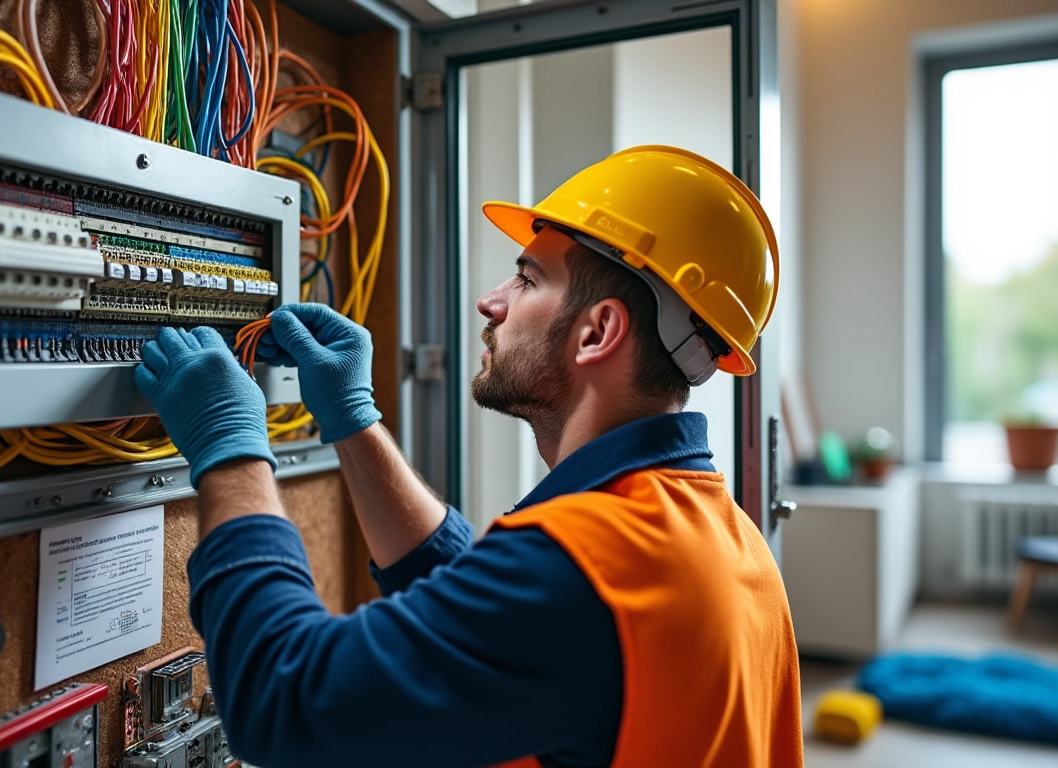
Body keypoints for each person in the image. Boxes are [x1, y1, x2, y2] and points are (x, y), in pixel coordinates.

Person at [134, 145, 803, 768]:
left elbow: (281, 696)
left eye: (527, 280)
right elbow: (491, 617)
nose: (492, 302)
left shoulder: (587, 570)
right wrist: (355, 423)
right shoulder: (720, 541)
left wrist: (230, 447)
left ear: (598, 331)